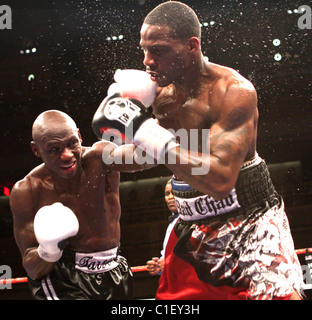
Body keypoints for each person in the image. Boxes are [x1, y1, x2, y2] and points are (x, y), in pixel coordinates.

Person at [92, 1, 305, 300]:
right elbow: (152, 155)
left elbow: (219, 181)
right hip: (190, 224)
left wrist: (142, 130)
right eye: (144, 50)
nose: (148, 61)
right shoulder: (160, 95)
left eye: (159, 50)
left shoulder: (233, 92)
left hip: (249, 218)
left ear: (192, 46)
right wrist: (96, 154)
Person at [9, 110, 139, 300]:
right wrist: (49, 249)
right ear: (36, 149)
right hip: (64, 278)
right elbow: (32, 268)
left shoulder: (101, 159)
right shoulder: (27, 190)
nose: (67, 155)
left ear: (79, 136)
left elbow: (145, 157)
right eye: (54, 149)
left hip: (115, 270)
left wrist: (148, 130)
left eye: (72, 144)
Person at [146, 179, 179, 275]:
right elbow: (166, 256)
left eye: (174, 193)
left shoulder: (190, 220)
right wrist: (158, 266)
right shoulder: (172, 223)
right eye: (167, 194)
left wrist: (168, 263)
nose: (170, 197)